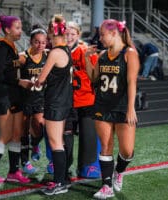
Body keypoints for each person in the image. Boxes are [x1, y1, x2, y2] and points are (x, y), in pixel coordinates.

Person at [85, 19, 139, 199]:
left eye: (102, 34)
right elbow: (93, 78)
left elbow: (132, 82)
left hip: (122, 107)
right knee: (106, 145)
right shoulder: (102, 55)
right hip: (102, 105)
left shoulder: (129, 53)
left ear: (114, 33)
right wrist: (87, 58)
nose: (100, 38)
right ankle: (106, 185)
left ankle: (119, 170)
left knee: (127, 151)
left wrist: (131, 108)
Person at [0, 15, 33, 184]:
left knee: (17, 134)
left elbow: (11, 68)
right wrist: (19, 79)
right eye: (17, 28)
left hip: (14, 94)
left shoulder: (13, 48)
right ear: (8, 30)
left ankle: (13, 172)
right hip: (2, 95)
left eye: (20, 27)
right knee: (6, 135)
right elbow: (0, 74)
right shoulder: (2, 48)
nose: (20, 31)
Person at [35, 14, 73, 195]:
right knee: (60, 142)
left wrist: (32, 82)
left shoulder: (55, 52)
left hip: (55, 102)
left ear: (52, 32)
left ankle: (59, 183)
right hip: (64, 101)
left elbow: (40, 80)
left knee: (55, 142)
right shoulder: (66, 50)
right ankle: (63, 179)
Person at [65, 21, 101, 179]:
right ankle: (63, 165)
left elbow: (95, 76)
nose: (69, 37)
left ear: (78, 35)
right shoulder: (59, 51)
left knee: (88, 135)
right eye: (67, 33)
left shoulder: (86, 51)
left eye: (73, 34)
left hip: (86, 100)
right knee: (65, 137)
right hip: (67, 102)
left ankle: (87, 165)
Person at [19, 25, 48, 174]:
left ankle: (35, 144)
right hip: (24, 99)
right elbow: (11, 76)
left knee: (40, 125)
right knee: (23, 131)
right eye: (37, 42)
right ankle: (25, 162)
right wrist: (20, 81)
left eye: (43, 42)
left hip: (40, 99)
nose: (40, 45)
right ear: (31, 41)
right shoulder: (23, 57)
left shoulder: (48, 56)